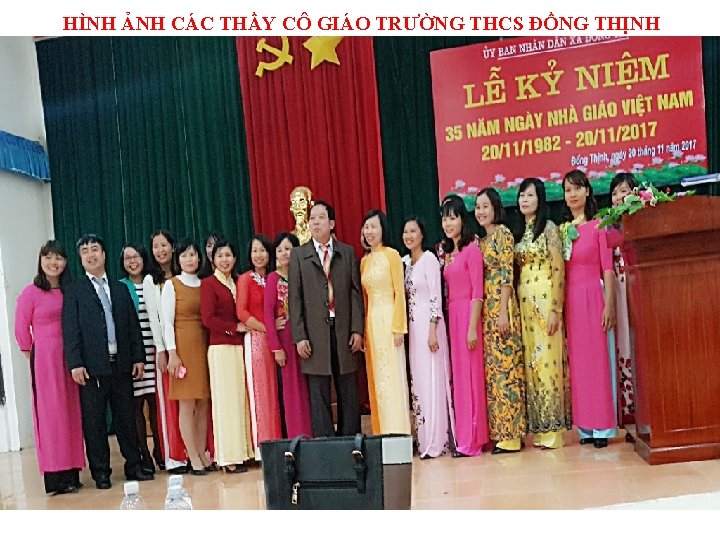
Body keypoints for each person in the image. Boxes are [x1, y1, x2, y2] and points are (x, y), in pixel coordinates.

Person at [61, 234, 154, 489]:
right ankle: (101, 472)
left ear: (104, 254)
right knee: (95, 423)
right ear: (81, 259)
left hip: (121, 365)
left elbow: (133, 326)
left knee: (127, 418)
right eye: (85, 251)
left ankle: (134, 465)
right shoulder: (75, 291)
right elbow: (70, 330)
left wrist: (138, 357)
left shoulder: (120, 288)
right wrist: (75, 363)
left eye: (95, 249)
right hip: (91, 369)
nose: (91, 255)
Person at [14, 240, 85, 495]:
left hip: (72, 358)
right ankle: (56, 476)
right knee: (51, 415)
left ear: (65, 263)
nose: (53, 263)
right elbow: (21, 331)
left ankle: (73, 471)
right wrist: (36, 357)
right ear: (41, 260)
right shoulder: (30, 293)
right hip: (44, 359)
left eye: (59, 258)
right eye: (48, 257)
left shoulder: (70, 291)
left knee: (72, 412)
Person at [288, 200, 364, 437]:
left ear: (331, 223)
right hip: (314, 333)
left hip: (343, 330)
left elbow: (355, 294)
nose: (315, 222)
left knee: (347, 388)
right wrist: (299, 336)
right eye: (312, 218)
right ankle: (325, 443)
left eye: (321, 218)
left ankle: (350, 440)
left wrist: (357, 329)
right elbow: (295, 299)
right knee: (318, 390)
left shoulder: (346, 252)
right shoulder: (299, 255)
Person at [514, 178, 572, 449]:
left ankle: (554, 431)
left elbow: (559, 269)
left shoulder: (549, 229)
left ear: (540, 199)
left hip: (545, 299)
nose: (524, 200)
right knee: (533, 364)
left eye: (530, 195)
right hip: (525, 303)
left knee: (548, 362)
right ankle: (540, 427)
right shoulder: (521, 232)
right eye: (522, 196)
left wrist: (556, 309)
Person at [563, 170, 618, 448]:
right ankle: (585, 427)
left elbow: (608, 268)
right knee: (580, 365)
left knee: (598, 362)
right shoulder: (562, 231)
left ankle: (603, 427)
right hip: (571, 301)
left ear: (587, 191)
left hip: (593, 297)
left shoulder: (599, 226)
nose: (572, 194)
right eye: (567, 190)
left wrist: (610, 304)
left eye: (577, 188)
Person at [474, 188, 527, 453]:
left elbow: (507, 273)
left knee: (508, 370)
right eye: (477, 207)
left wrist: (504, 311)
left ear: (495, 208)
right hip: (487, 310)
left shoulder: (503, 234)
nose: (481, 211)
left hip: (502, 307)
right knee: (495, 373)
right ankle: (502, 432)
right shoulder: (481, 241)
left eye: (485, 206)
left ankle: (512, 435)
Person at [402, 217, 455, 458]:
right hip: (414, 327)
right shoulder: (407, 264)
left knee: (433, 379)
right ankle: (424, 439)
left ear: (422, 234)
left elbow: (436, 297)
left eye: (413, 231)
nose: (409, 236)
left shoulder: (429, 260)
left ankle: (438, 439)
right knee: (420, 381)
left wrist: (433, 329)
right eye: (406, 232)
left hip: (430, 325)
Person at [440, 195, 489, 457]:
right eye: (444, 219)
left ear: (462, 219)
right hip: (453, 318)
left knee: (471, 378)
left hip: (469, 316)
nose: (448, 224)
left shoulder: (472, 250)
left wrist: (472, 327)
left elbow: (478, 292)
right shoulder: (448, 253)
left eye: (453, 218)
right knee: (460, 378)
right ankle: (463, 437)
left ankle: (473, 440)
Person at [202, 238, 254, 472]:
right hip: (221, 349)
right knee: (225, 402)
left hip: (240, 347)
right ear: (213, 259)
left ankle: (244, 451)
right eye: (220, 255)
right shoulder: (209, 284)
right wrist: (234, 327)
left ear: (235, 258)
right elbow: (208, 319)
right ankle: (228, 457)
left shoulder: (238, 281)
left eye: (229, 255)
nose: (225, 260)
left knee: (241, 400)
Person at [160, 238, 212, 474]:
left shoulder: (204, 284)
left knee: (203, 403)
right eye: (184, 255)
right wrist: (172, 353)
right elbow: (167, 323)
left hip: (204, 346)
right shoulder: (172, 285)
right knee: (187, 403)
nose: (190, 259)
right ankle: (192, 456)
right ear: (177, 259)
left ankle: (201, 452)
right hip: (183, 348)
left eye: (193, 254)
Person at [360, 209, 411, 435]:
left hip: (390, 319)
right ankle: (382, 433)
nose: (369, 231)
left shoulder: (392, 255)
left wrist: (399, 327)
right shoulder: (364, 262)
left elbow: (400, 292)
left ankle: (399, 432)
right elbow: (365, 300)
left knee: (393, 376)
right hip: (372, 322)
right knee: (378, 377)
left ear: (383, 229)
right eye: (366, 227)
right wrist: (364, 332)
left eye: (374, 226)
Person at [143, 230, 186, 472]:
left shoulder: (183, 274)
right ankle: (174, 457)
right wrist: (161, 349)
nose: (160, 250)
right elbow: (154, 317)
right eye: (156, 246)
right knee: (169, 403)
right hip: (165, 350)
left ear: (173, 247)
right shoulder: (151, 280)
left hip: (187, 345)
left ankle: (193, 451)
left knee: (190, 402)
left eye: (164, 245)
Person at [263, 232, 312, 438]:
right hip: (285, 341)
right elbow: (268, 314)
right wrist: (276, 348)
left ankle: (312, 433)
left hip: (306, 339)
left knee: (309, 388)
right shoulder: (273, 279)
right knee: (292, 390)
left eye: (288, 249)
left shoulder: (302, 275)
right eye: (280, 250)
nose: (284, 253)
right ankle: (297, 435)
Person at [236, 234, 282, 457]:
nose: (258, 255)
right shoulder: (245, 279)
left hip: (276, 341)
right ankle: (262, 446)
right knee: (259, 392)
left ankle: (277, 441)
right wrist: (267, 328)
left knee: (274, 392)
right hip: (255, 340)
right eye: (254, 251)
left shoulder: (275, 278)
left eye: (262, 250)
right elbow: (241, 312)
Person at [119, 243, 161, 474]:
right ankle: (144, 454)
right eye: (127, 258)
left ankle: (161, 452)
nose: (132, 262)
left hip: (155, 352)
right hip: (135, 356)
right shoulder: (120, 287)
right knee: (136, 408)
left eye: (136, 257)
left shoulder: (153, 283)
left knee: (156, 406)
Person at [608, 173, 639, 428]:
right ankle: (626, 408)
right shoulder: (607, 227)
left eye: (624, 191)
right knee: (621, 342)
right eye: (615, 193)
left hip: (638, 287)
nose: (619, 197)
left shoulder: (644, 221)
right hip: (616, 291)